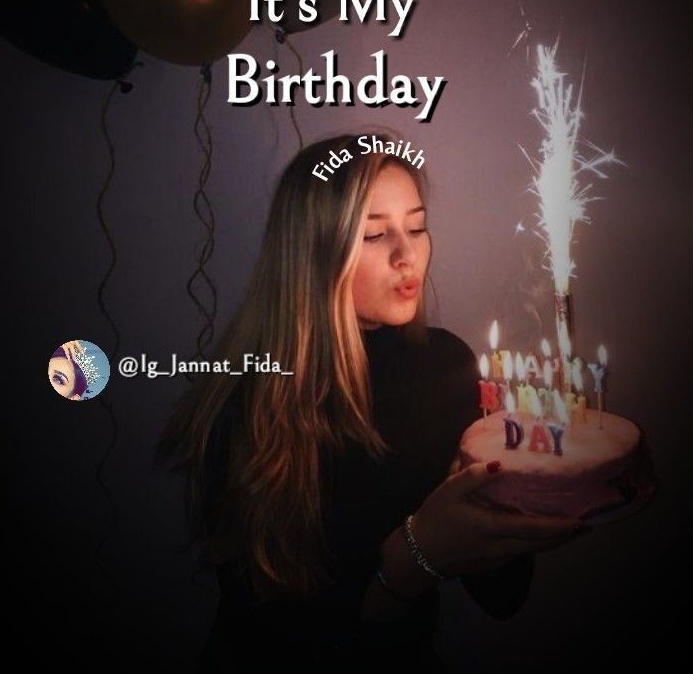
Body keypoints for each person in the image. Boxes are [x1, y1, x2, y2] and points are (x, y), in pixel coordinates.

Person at [158, 132, 586, 671]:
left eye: (417, 226)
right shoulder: (246, 401)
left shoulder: (449, 366)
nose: (408, 256)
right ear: (314, 251)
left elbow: (504, 599)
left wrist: (510, 495)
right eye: (375, 234)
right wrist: (414, 554)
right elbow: (272, 634)